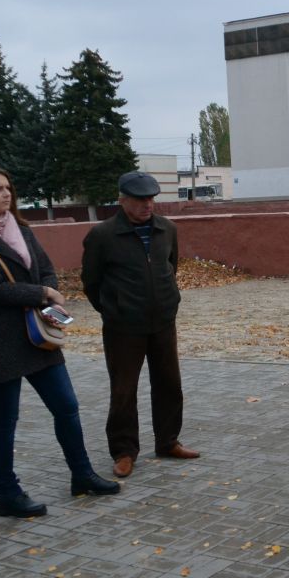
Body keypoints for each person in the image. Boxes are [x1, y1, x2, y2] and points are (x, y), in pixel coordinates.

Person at [0, 166, 119, 518]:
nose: (6, 194)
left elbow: (45, 267)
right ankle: (8, 494)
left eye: (8, 188)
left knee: (66, 406)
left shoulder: (20, 229)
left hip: (36, 333)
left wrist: (50, 290)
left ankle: (82, 474)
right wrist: (42, 291)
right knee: (4, 419)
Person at [81, 171, 198, 479]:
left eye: (151, 199)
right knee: (123, 390)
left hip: (162, 321)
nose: (148, 205)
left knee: (169, 384)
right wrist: (113, 310)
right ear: (122, 200)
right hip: (123, 328)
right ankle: (123, 451)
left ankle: (168, 441)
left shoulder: (166, 229)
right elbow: (91, 282)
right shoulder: (102, 235)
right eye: (140, 199)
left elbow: (171, 267)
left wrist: (169, 301)